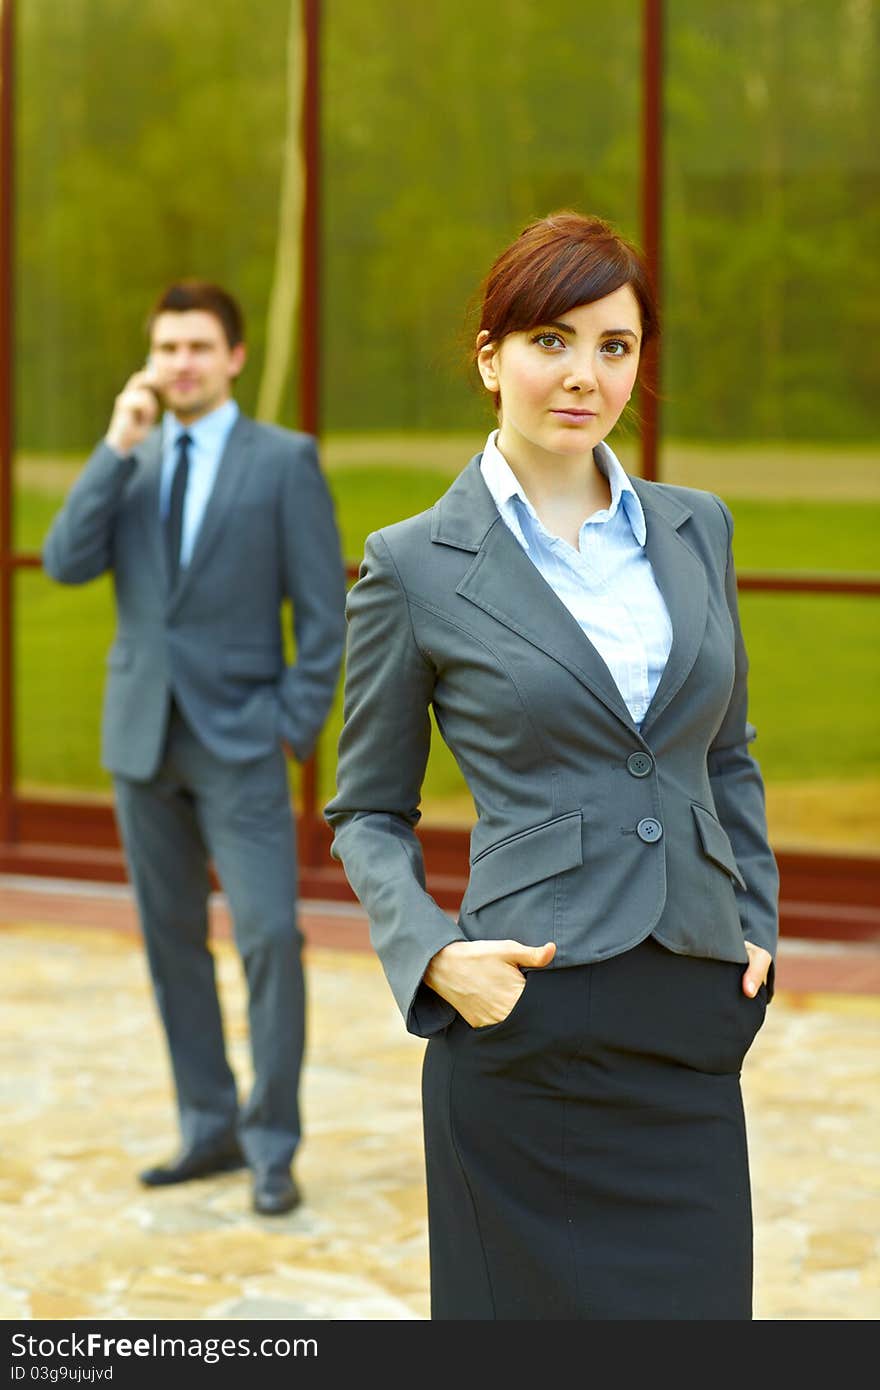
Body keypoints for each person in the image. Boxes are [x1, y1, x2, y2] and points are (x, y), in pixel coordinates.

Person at [324, 212, 779, 1318]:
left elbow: (726, 752)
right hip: (527, 1020)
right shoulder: (413, 565)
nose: (583, 375)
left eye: (613, 346)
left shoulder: (694, 529)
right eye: (550, 341)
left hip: (687, 1013)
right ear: (490, 359)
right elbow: (366, 809)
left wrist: (755, 919)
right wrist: (435, 958)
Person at [43, 280, 347, 1216]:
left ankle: (272, 1143)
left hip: (242, 743)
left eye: (198, 347)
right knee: (172, 945)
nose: (180, 362)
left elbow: (326, 617)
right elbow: (64, 560)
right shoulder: (127, 459)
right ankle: (207, 1128)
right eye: (167, 346)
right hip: (141, 741)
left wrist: (292, 725)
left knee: (267, 939)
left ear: (234, 359)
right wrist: (111, 445)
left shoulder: (284, 461)